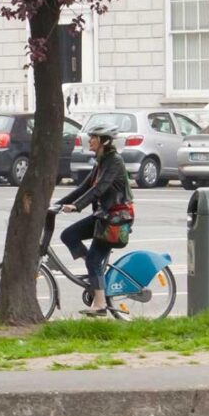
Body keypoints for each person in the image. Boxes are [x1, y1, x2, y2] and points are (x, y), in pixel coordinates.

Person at [57, 123, 132, 317]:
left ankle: (100, 305)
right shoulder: (101, 162)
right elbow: (84, 187)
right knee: (69, 235)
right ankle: (95, 271)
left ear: (104, 141)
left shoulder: (114, 161)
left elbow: (100, 189)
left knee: (93, 260)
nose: (89, 140)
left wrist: (77, 206)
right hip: (103, 216)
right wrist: (56, 205)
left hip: (115, 218)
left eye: (93, 137)